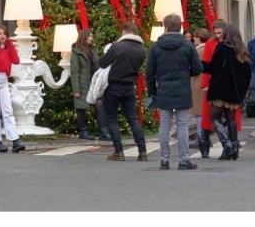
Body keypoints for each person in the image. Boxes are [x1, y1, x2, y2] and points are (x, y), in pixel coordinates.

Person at [145, 14, 202, 170]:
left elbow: (149, 73)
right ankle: (183, 159)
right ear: (180, 27)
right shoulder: (188, 46)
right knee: (182, 125)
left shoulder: (156, 47)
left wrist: (152, 92)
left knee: (164, 125)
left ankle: (164, 160)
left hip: (163, 89)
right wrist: (186, 73)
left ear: (165, 27)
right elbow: (197, 69)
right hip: (182, 88)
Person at [98, 22, 147, 161]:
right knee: (133, 119)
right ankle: (142, 151)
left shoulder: (117, 46)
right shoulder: (142, 50)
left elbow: (102, 63)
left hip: (113, 85)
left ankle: (119, 151)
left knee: (111, 119)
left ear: (124, 32)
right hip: (129, 86)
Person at [202, 24, 252, 160]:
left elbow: (214, 67)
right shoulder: (242, 49)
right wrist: (242, 90)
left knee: (215, 117)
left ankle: (227, 144)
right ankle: (234, 149)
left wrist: (201, 65)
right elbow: (248, 73)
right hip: (235, 91)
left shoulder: (223, 47)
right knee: (231, 120)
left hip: (220, 89)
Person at [0, 24, 25, 153]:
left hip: (4, 81)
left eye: (4, 34)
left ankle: (15, 141)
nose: (2, 36)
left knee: (8, 111)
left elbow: (16, 60)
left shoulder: (8, 49)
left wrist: (10, 44)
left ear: (7, 35)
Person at [70, 28, 110, 141]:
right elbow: (74, 71)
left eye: (92, 36)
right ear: (83, 37)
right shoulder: (76, 52)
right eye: (89, 36)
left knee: (99, 105)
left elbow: (98, 66)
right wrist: (76, 89)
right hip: (82, 84)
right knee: (81, 108)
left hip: (94, 84)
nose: (91, 38)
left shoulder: (93, 50)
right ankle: (84, 131)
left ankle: (104, 132)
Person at [190, 28, 213, 157]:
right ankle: (205, 137)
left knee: (199, 114)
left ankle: (201, 138)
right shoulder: (208, 49)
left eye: (195, 37)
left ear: (198, 37)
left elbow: (194, 68)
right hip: (206, 83)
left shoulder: (198, 51)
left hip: (198, 84)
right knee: (204, 113)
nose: (193, 39)